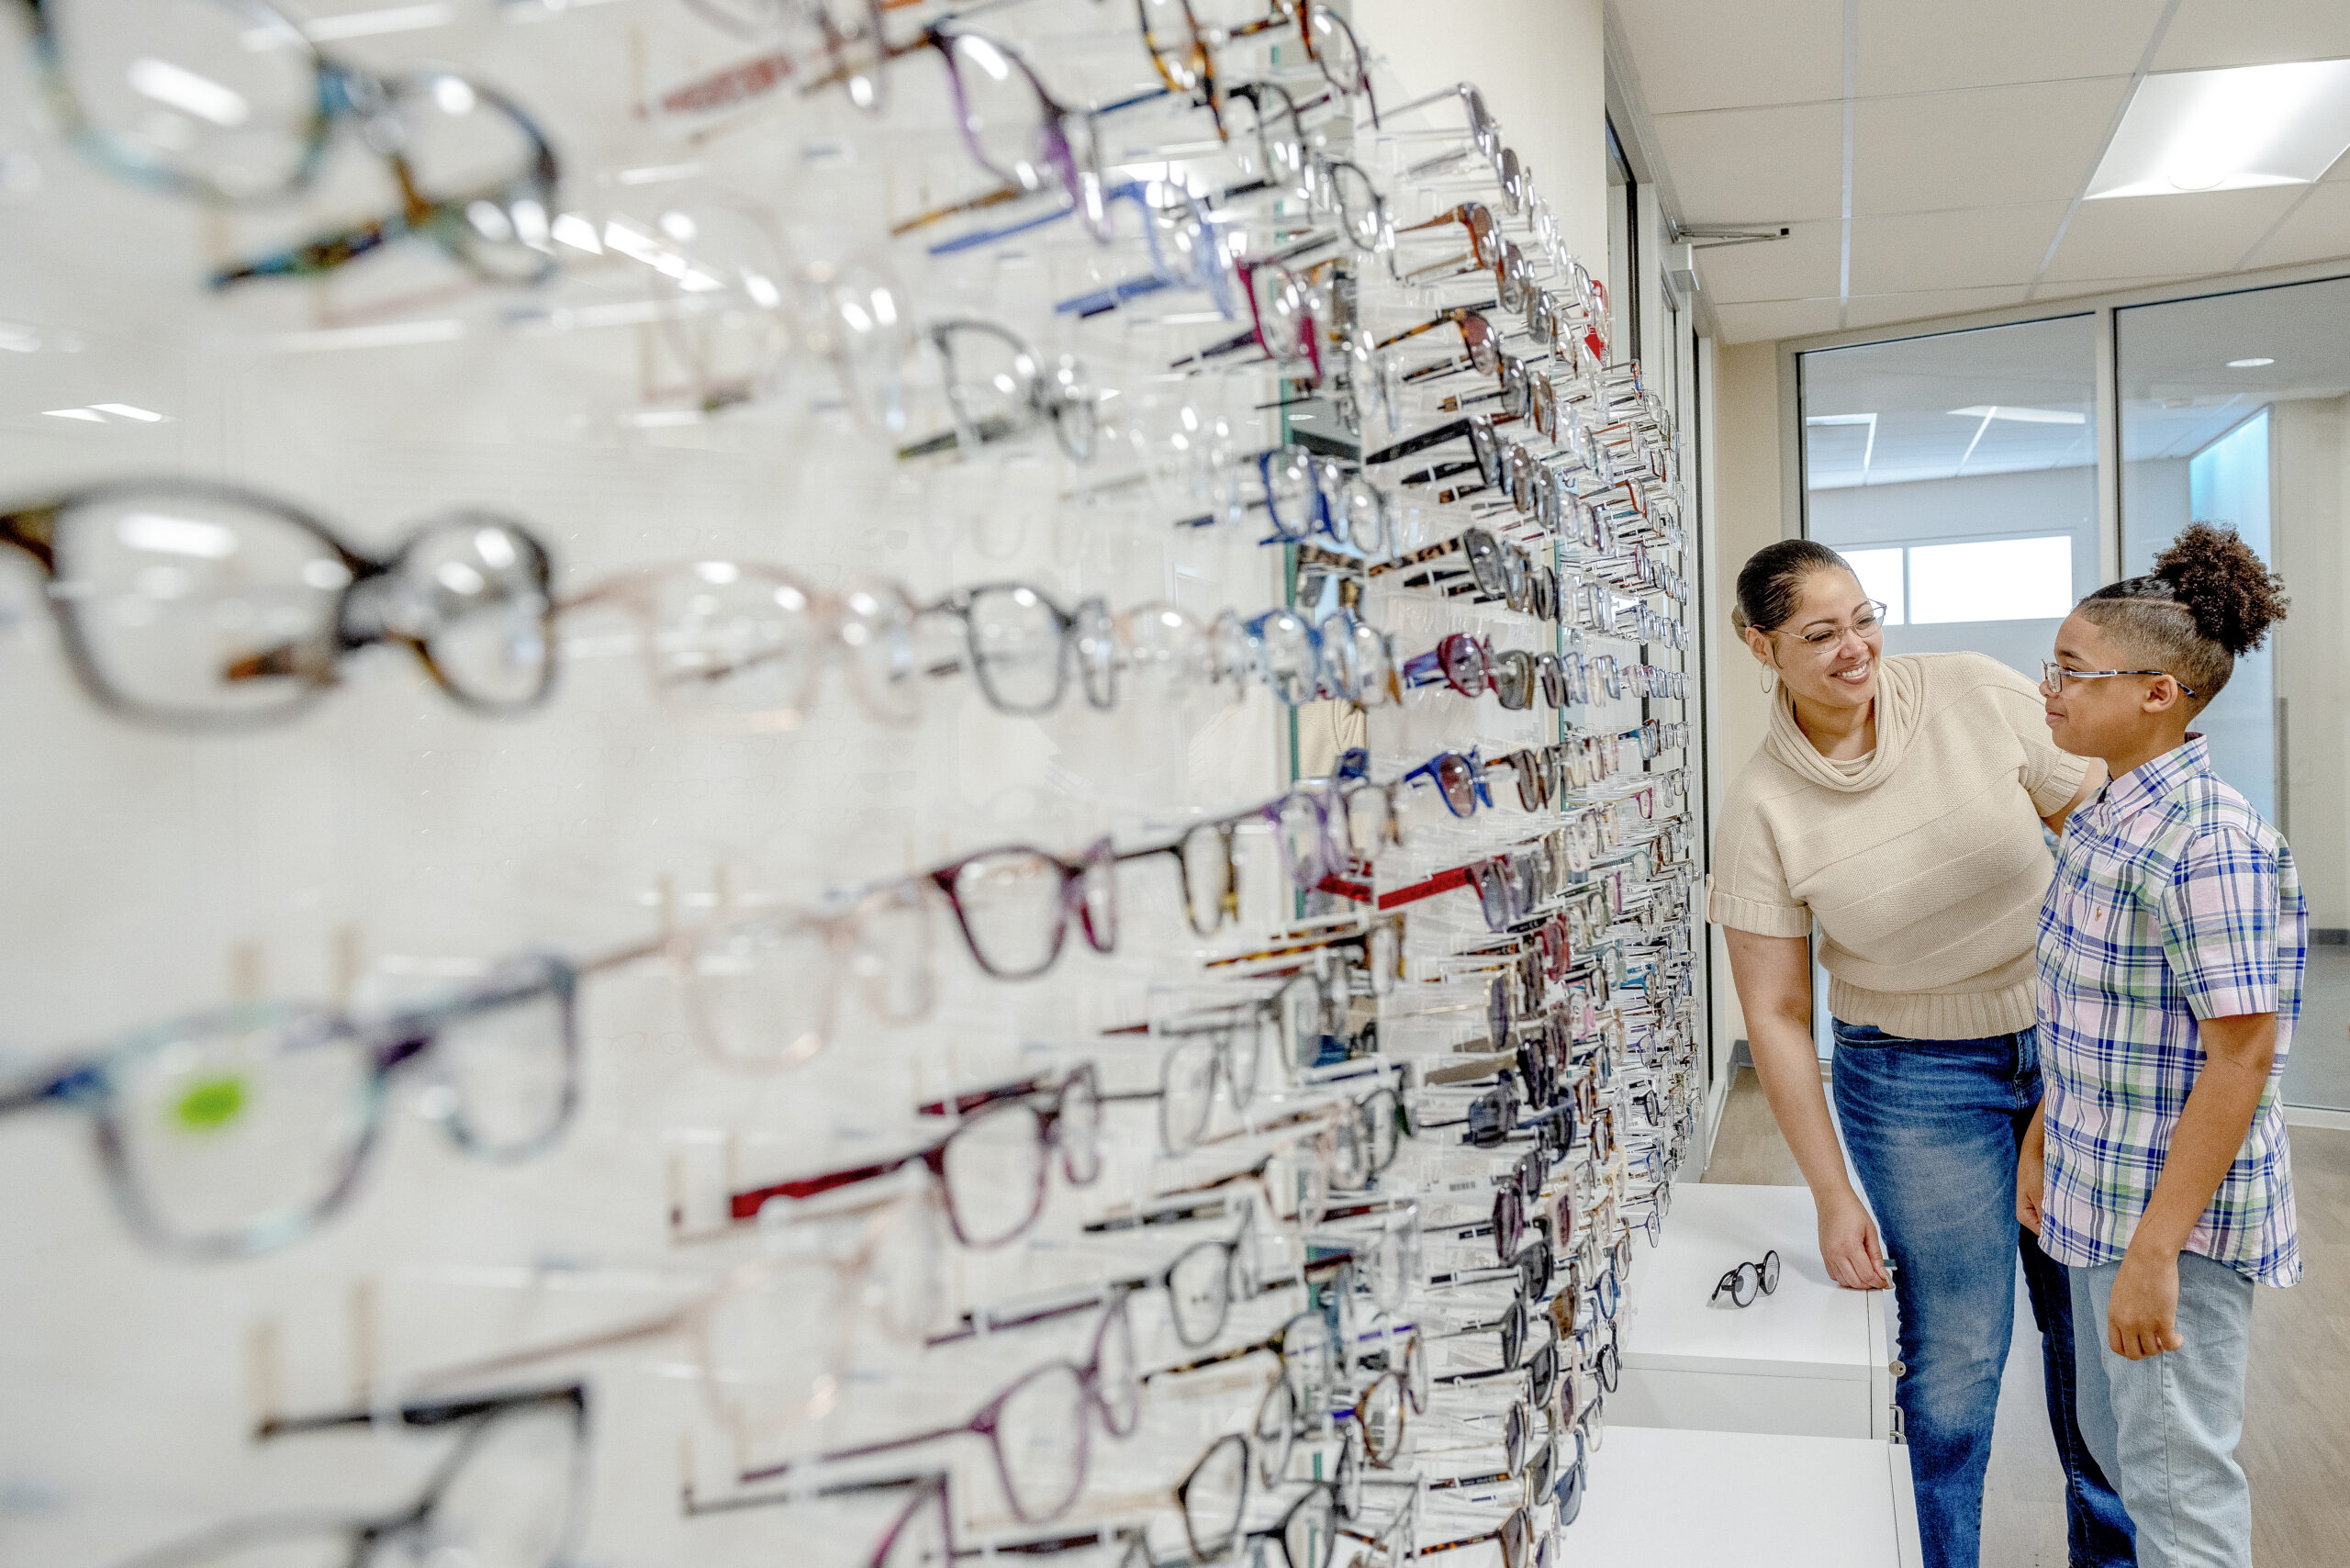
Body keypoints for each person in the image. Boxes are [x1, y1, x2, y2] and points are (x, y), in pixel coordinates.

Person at [1708, 540, 2133, 1568]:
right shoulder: (1762, 805)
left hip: (2064, 1040)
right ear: (1758, 645)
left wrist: (2099, 1033)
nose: (1855, 647)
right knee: (1952, 1362)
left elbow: (2102, 835)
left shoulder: (1973, 695)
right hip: (1912, 1079)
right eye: (1819, 633)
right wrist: (1829, 1192)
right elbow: (1774, 1014)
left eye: (1864, 616)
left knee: (2087, 1342)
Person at [2023, 523, 2301, 1568]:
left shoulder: (2207, 841)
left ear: (2157, 695)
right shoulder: (2105, 816)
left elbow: (2241, 1058)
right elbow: (2097, 1012)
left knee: (2178, 1492)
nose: (2048, 689)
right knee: (2124, 1450)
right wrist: (2044, 1135)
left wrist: (2154, 1254)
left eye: (2069, 671)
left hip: (2166, 1221)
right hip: (2099, 1193)